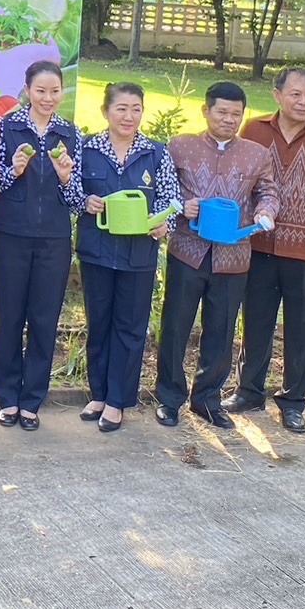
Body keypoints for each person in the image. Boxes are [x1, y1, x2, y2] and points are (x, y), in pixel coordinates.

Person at [227, 67, 305, 433]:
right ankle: (249, 391)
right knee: (256, 322)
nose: (303, 102)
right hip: (259, 244)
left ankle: (293, 402)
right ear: (277, 95)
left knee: (300, 329)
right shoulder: (253, 129)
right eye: (296, 94)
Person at [155, 82, 279, 430]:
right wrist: (182, 206)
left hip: (233, 255)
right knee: (176, 326)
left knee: (222, 330)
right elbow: (164, 190)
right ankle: (169, 398)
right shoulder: (180, 147)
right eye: (221, 112)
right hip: (187, 250)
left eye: (236, 114)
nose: (228, 119)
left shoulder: (256, 154)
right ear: (206, 111)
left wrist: (265, 212)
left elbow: (267, 191)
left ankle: (207, 399)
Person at [77, 83, 181, 433]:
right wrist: (85, 202)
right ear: (106, 111)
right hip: (97, 251)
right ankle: (99, 393)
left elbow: (171, 199)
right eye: (121, 108)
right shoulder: (87, 148)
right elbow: (70, 190)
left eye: (136, 108)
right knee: (100, 323)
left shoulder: (155, 153)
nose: (129, 116)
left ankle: (118, 400)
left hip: (138, 255)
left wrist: (165, 223)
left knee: (130, 326)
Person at [0, 61, 84, 431]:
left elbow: (77, 198)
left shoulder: (70, 133)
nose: (48, 98)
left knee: (44, 320)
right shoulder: (5, 127)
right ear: (27, 89)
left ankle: (32, 400)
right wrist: (11, 171)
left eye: (55, 91)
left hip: (54, 240)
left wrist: (64, 179)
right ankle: (8, 397)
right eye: (40, 90)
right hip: (11, 235)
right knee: (9, 317)